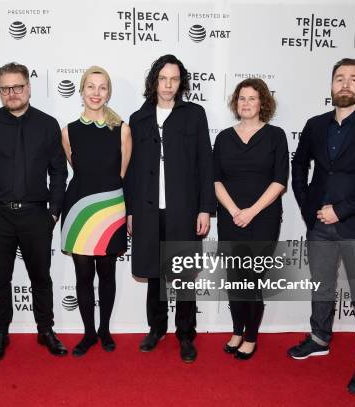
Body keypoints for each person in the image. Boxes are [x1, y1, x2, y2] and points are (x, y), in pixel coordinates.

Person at [288, 58, 355, 395]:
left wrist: (341, 211)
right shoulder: (315, 124)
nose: (345, 84)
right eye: (339, 78)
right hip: (319, 225)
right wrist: (309, 209)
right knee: (321, 286)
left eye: (354, 79)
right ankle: (320, 337)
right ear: (332, 84)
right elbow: (299, 166)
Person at [0, 62, 68, 361]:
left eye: (18, 87)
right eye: (5, 88)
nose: (12, 93)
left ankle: (46, 330)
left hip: (37, 214)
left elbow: (59, 172)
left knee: (42, 278)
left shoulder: (48, 124)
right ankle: (0, 334)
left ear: (28, 87)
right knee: (0, 279)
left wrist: (53, 211)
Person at [126, 54, 215, 363]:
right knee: (154, 274)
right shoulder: (138, 119)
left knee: (184, 275)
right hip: (148, 211)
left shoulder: (194, 115)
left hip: (184, 210)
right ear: (154, 81)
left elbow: (206, 163)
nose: (168, 85)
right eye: (163, 79)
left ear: (181, 83)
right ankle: (156, 328)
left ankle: (186, 334)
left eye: (174, 79)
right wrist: (131, 211)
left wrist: (205, 209)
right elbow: (132, 170)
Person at [214, 78, 289, 360]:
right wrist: (235, 211)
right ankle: (236, 330)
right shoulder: (223, 137)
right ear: (236, 103)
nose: (246, 103)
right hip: (230, 217)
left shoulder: (276, 136)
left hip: (263, 218)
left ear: (263, 103)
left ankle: (252, 336)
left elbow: (280, 181)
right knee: (234, 280)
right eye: (242, 98)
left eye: (252, 98)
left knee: (252, 280)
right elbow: (215, 179)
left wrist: (251, 211)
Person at [60, 66, 132, 357]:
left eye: (102, 88)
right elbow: (76, 169)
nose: (96, 93)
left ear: (108, 92)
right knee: (83, 276)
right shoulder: (68, 131)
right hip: (78, 209)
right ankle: (89, 333)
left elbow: (123, 173)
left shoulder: (122, 129)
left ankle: (104, 330)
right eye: (91, 87)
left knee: (108, 274)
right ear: (82, 90)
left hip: (111, 208)